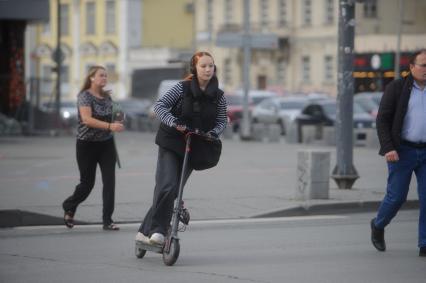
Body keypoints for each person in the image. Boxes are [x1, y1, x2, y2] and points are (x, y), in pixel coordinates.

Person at [135, 51, 227, 245]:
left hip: (194, 144)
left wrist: (214, 133)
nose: (208, 69)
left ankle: (145, 231)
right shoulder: (182, 88)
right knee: (166, 186)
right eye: (203, 66)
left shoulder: (219, 96)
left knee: (174, 190)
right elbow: (160, 106)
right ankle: (159, 231)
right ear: (194, 68)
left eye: (211, 65)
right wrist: (173, 122)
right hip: (171, 141)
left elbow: (221, 121)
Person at [371, 49, 426, 257]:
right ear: (411, 67)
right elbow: (382, 120)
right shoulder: (397, 88)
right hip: (402, 151)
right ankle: (378, 225)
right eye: (423, 65)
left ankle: (424, 243)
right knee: (396, 197)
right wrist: (389, 148)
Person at [62, 65, 124, 231]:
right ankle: (69, 206)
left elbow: (115, 113)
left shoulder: (107, 96)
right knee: (87, 183)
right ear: (91, 78)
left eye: (106, 75)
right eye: (101, 75)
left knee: (109, 182)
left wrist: (119, 118)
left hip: (106, 145)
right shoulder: (84, 96)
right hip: (86, 145)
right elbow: (87, 120)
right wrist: (110, 126)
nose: (104, 78)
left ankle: (107, 220)